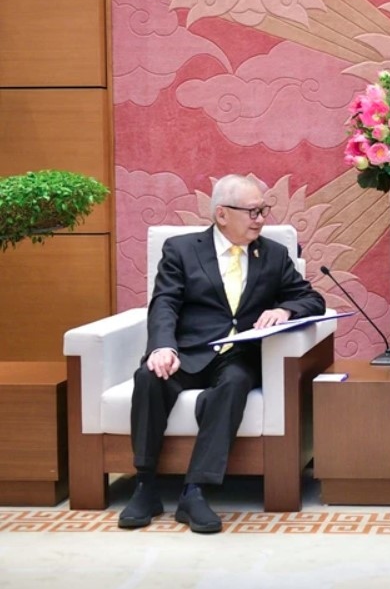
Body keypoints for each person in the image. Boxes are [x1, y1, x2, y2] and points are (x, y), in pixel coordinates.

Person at [118, 174, 326, 533]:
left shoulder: (273, 254)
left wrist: (285, 310)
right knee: (149, 377)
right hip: (189, 350)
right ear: (222, 214)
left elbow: (312, 299)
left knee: (234, 383)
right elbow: (164, 302)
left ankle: (195, 491)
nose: (260, 219)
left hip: (239, 355)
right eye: (252, 211)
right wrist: (162, 346)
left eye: (263, 210)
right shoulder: (181, 249)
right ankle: (145, 485)